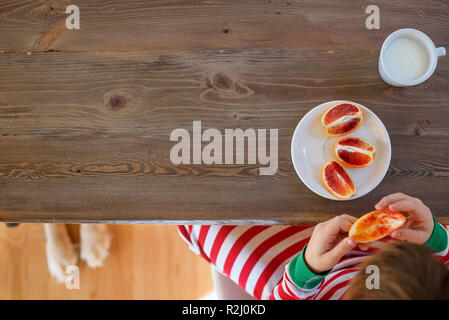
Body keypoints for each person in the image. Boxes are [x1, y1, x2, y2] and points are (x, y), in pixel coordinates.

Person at [178, 193, 449, 299]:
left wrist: (308, 267)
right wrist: (435, 239)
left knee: (204, 219)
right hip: (398, 255)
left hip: (302, 281)